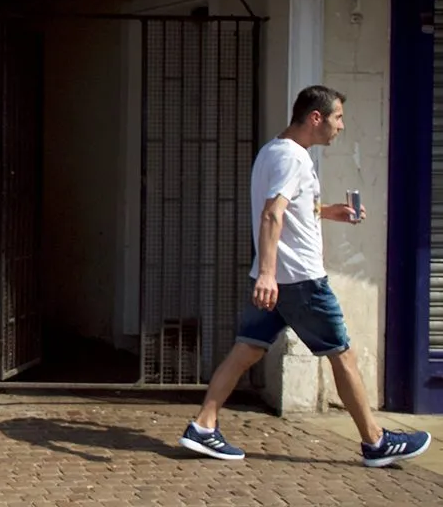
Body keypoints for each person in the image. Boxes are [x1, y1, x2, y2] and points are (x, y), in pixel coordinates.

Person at [179, 85, 431, 467]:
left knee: (247, 349)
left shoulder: (272, 151)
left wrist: (328, 211)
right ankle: (375, 441)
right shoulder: (294, 157)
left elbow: (290, 207)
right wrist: (268, 274)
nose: (341, 126)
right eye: (337, 118)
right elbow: (272, 213)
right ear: (316, 117)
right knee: (343, 354)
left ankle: (203, 425)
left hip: (277, 280)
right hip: (300, 281)